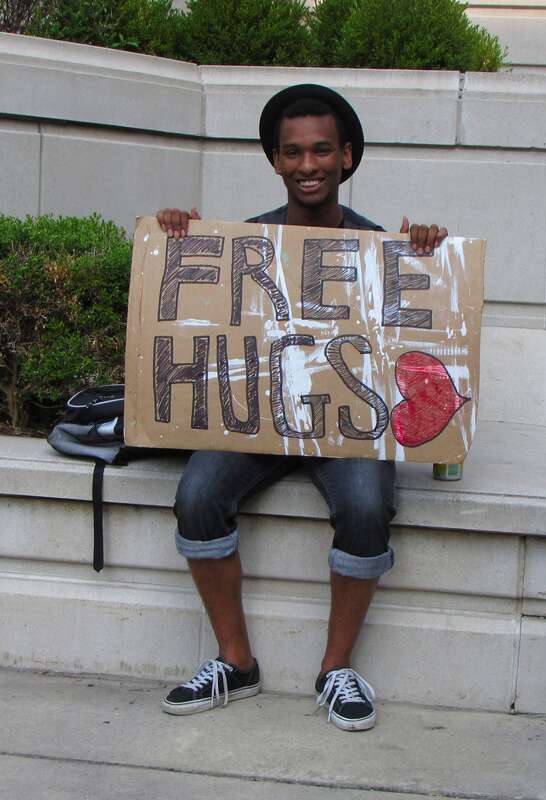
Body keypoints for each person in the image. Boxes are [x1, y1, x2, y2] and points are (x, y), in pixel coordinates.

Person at [156, 84, 447, 732]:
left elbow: (416, 342)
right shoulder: (244, 244)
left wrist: (426, 258)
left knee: (368, 506)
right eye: (293, 152)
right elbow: (194, 324)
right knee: (198, 494)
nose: (307, 164)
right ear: (275, 160)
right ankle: (236, 661)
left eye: (321, 150)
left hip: (345, 422)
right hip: (255, 416)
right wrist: (179, 242)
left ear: (346, 157)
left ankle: (335, 668)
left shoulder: (380, 248)